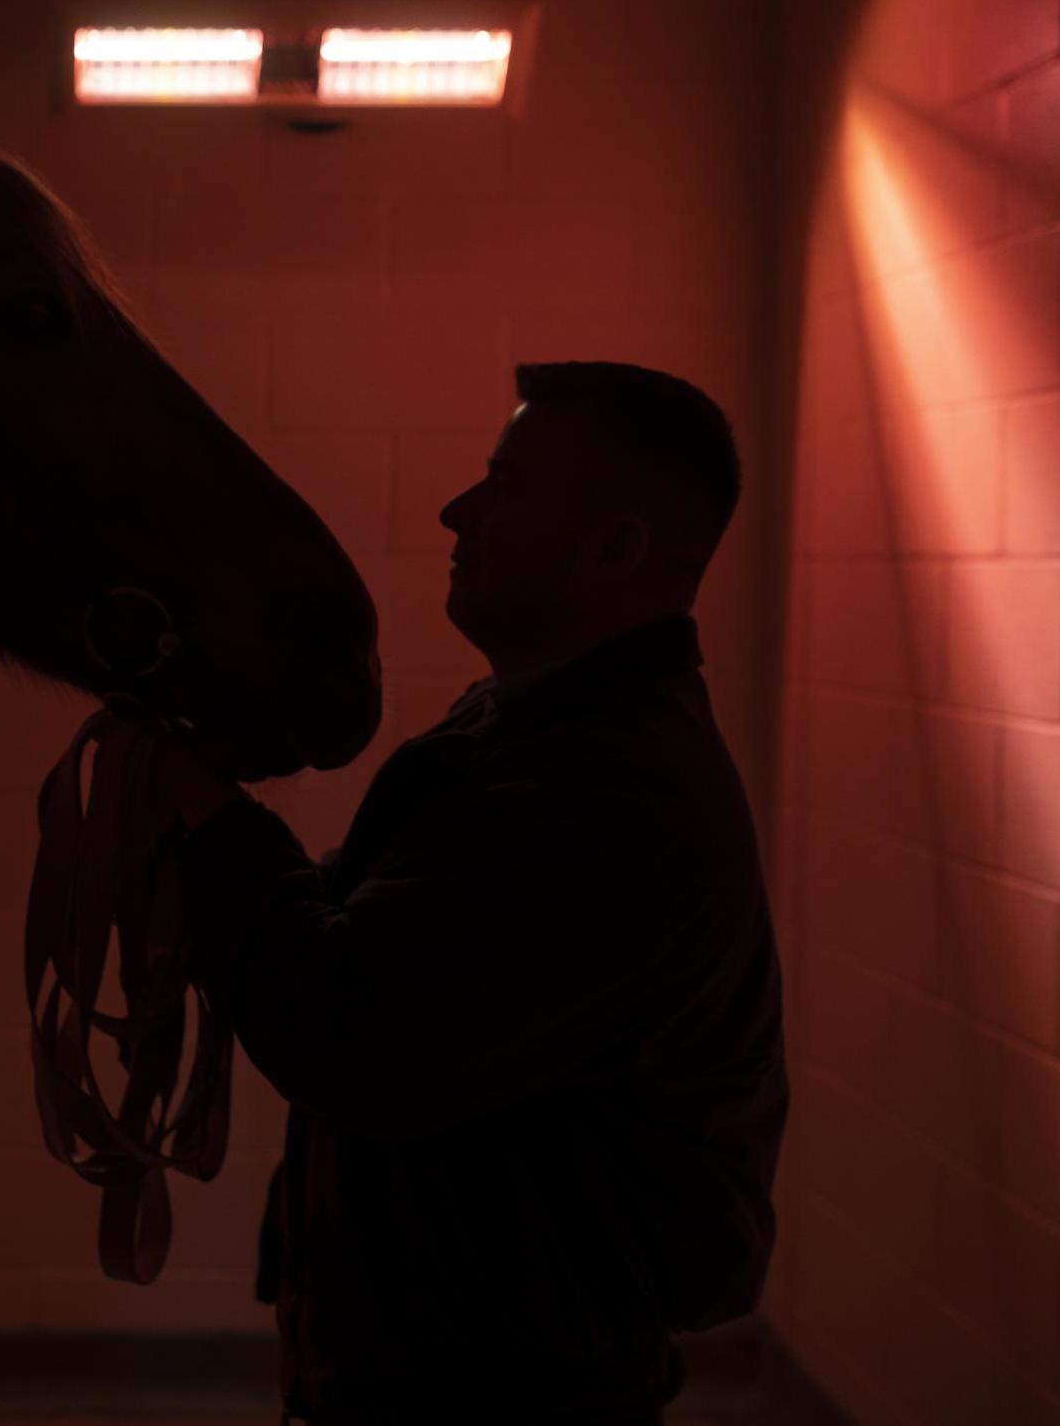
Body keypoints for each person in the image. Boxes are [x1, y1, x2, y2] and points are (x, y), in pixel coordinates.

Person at [149, 361, 787, 1426]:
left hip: (495, 1389)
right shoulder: (536, 731)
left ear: (614, 547)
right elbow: (393, 950)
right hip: (459, 1361)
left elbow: (351, 1027)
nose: (457, 511)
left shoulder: (606, 790)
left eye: (504, 486)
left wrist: (212, 824)